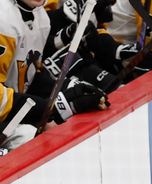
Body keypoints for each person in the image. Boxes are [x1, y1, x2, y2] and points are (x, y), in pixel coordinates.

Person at [0, 0, 108, 150]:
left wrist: (69, 88)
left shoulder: (41, 19)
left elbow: (26, 78)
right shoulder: (3, 20)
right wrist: (51, 107)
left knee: (58, 129)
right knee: (29, 139)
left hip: (8, 114)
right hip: (4, 116)